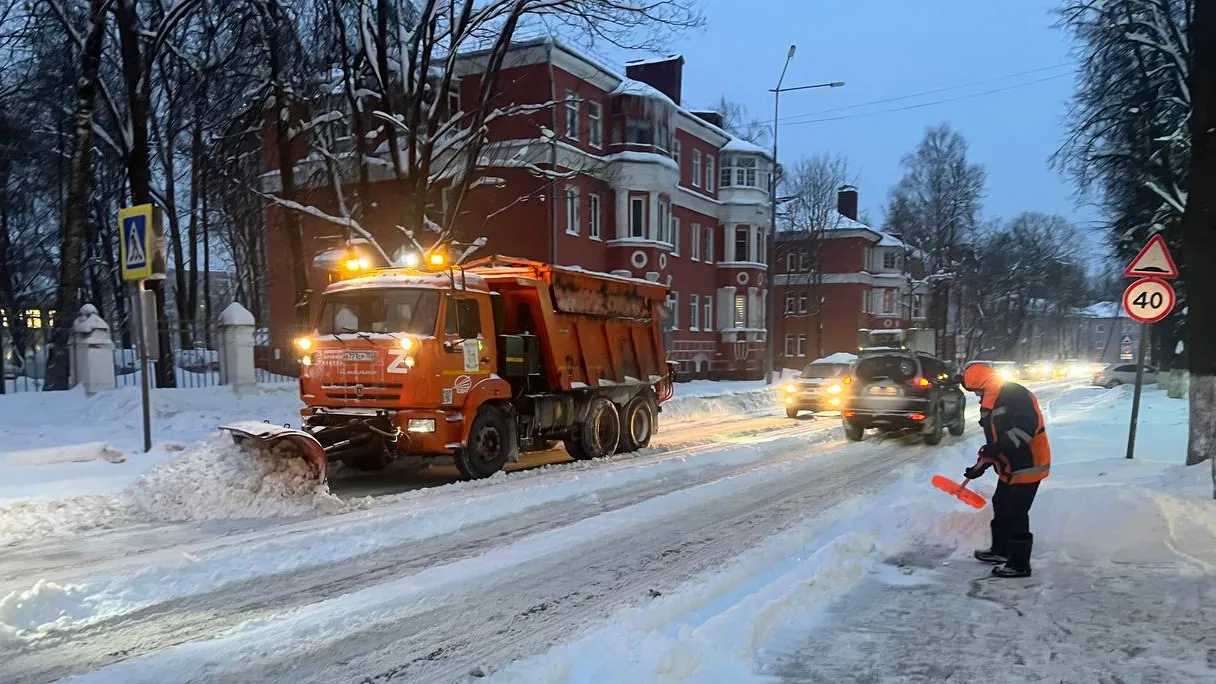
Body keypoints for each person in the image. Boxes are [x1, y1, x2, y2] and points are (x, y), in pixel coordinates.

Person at [961, 363, 1052, 578]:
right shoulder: (993, 399)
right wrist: (980, 466)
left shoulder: (1015, 395)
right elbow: (995, 441)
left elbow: (1024, 430)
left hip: (1028, 463)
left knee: (1017, 512)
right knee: (1001, 504)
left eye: (977, 392)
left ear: (984, 386)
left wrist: (997, 448)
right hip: (1010, 466)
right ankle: (1000, 551)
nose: (977, 397)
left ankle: (1020, 564)